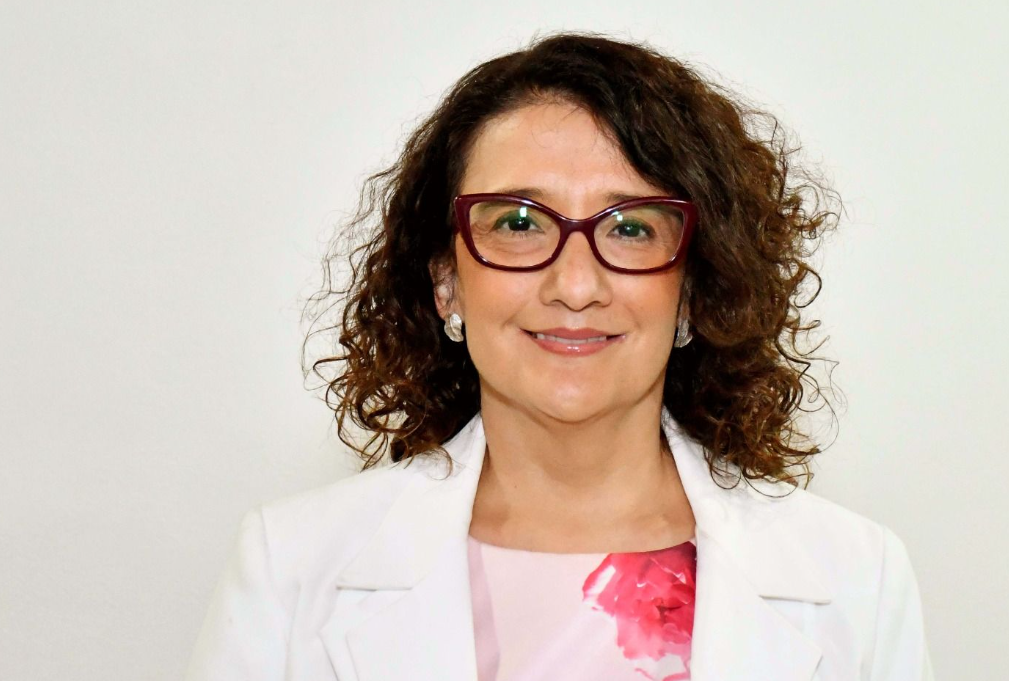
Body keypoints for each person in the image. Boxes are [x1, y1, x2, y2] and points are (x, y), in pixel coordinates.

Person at [185, 31, 934, 681]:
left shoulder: (855, 578)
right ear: (446, 281)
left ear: (693, 289)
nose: (575, 286)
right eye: (518, 222)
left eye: (631, 228)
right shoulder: (289, 567)